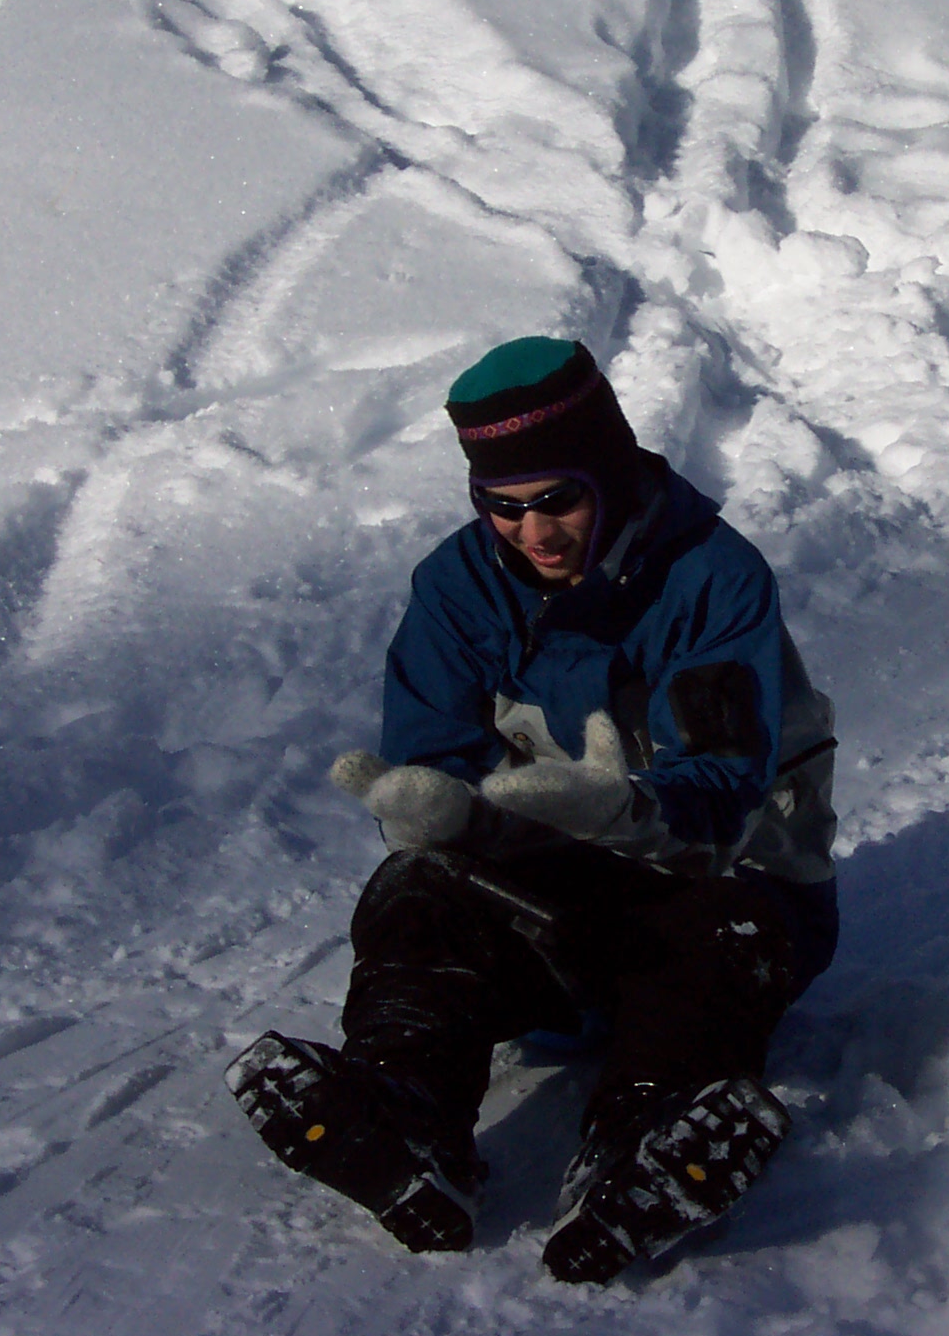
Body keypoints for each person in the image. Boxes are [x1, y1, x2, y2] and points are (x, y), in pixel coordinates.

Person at [223, 336, 837, 1284]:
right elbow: (437, 757)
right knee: (416, 887)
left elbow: (725, 797)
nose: (534, 533)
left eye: (558, 499)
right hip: (555, 905)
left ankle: (641, 1136)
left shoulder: (713, 578)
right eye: (503, 509)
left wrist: (621, 812)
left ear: (610, 472)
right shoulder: (457, 586)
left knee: (722, 926)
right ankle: (407, 1107)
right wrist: (451, 819)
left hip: (725, 882)